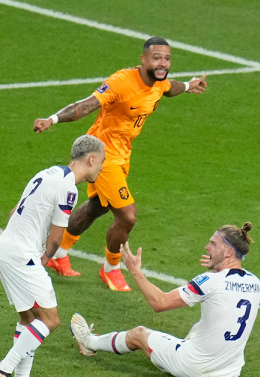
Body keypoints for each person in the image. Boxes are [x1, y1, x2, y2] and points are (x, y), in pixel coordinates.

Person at [32, 36, 208, 291]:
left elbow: (170, 88)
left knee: (98, 206)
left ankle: (58, 252)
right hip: (100, 155)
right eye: (156, 58)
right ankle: (111, 268)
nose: (162, 63)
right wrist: (52, 119)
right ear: (143, 59)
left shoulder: (160, 81)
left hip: (123, 152)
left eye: (167, 58)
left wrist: (190, 85)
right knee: (127, 215)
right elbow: (86, 105)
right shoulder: (121, 82)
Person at [0, 134, 106, 377]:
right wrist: (41, 263)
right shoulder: (69, 189)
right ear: (92, 158)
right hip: (22, 256)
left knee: (28, 318)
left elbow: (16, 210)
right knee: (50, 320)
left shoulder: (47, 172)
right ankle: (3, 370)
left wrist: (2, 259)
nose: (101, 167)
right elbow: (55, 237)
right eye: (102, 162)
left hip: (7, 248)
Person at [68, 224, 260, 377]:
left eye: (212, 243)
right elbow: (257, 299)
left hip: (194, 367)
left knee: (139, 334)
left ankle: (89, 343)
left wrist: (135, 271)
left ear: (228, 252)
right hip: (230, 372)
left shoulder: (210, 281)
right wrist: (216, 271)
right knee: (199, 328)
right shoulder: (256, 283)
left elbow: (160, 303)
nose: (207, 247)